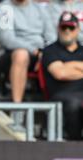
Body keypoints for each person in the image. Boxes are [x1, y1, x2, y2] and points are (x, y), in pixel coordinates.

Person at [0, 0, 55, 110]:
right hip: (10, 53)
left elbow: (51, 37)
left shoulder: (39, 8)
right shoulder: (3, 8)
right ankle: (17, 108)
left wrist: (45, 53)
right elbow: (6, 39)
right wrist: (34, 51)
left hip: (40, 52)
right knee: (21, 54)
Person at [42, 12, 83, 140]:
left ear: (77, 29)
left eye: (71, 27)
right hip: (60, 96)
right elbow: (60, 73)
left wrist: (68, 65)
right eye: (63, 27)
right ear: (58, 29)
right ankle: (74, 141)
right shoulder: (50, 50)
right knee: (74, 103)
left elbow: (64, 69)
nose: (67, 31)